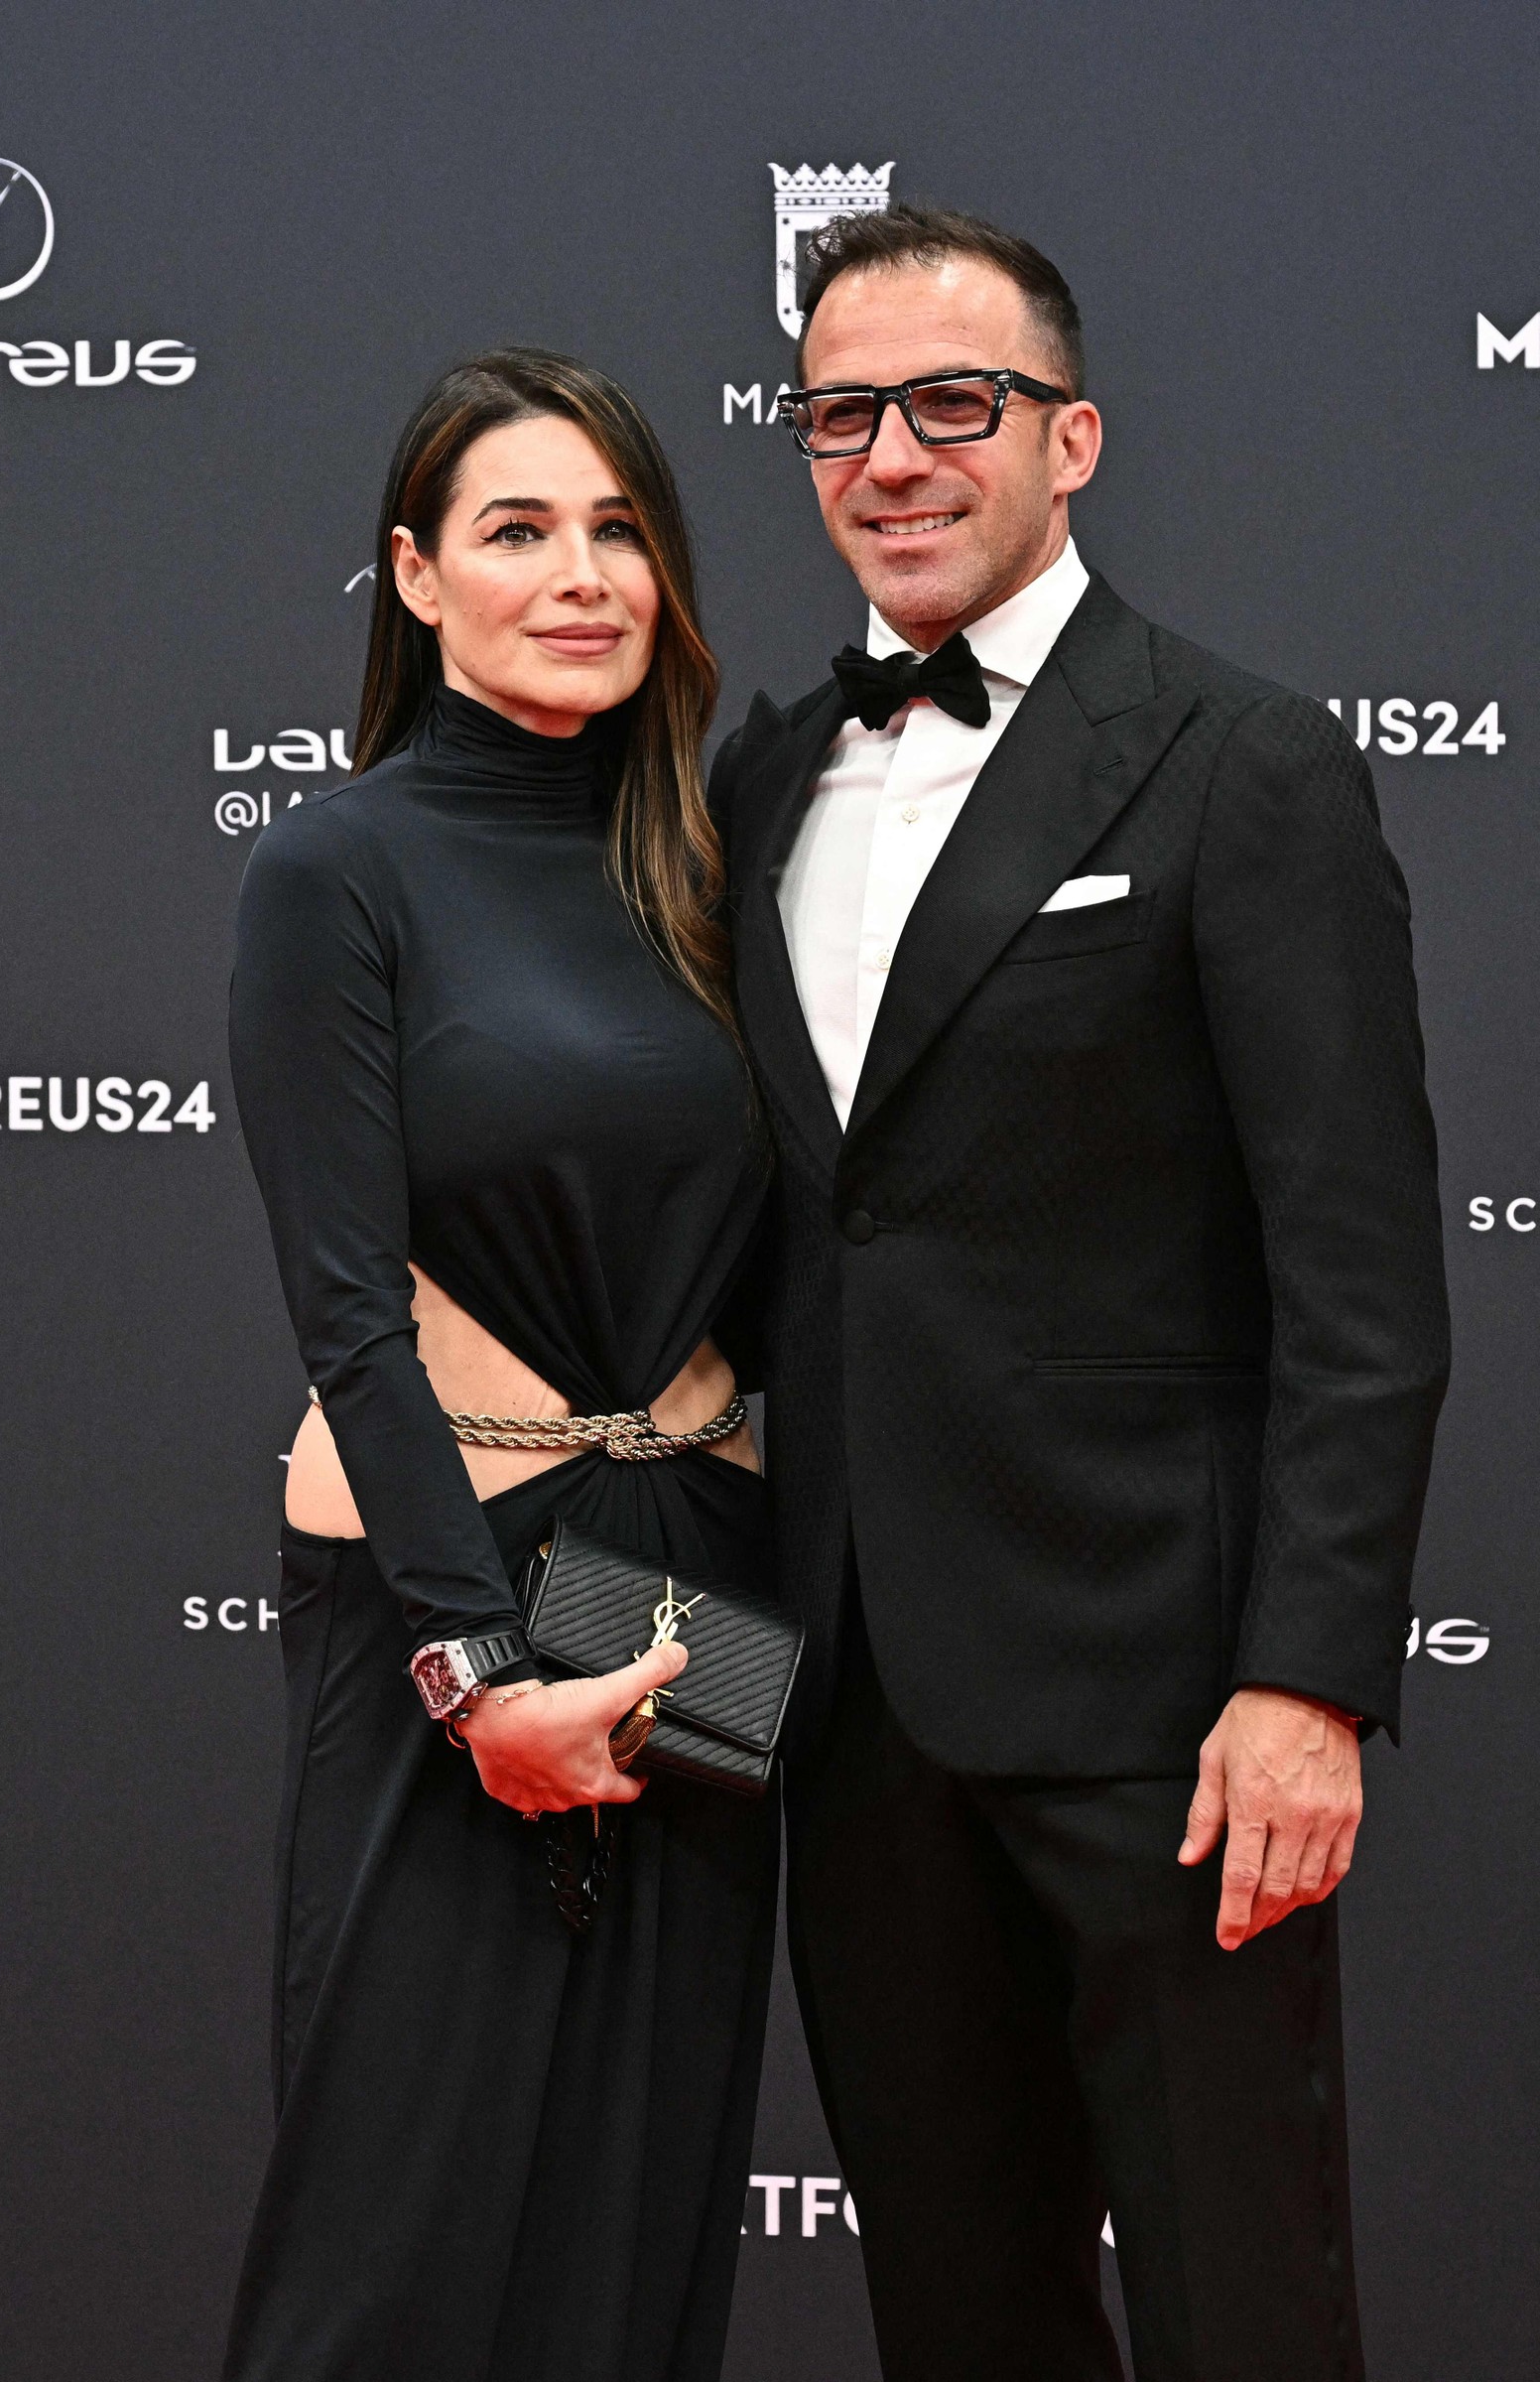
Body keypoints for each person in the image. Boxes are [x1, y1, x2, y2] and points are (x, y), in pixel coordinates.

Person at [710, 204, 1450, 2381]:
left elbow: (1358, 1274)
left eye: (956, 402)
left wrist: (1306, 1679)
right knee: (959, 2313)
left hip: (1167, 1714)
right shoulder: (752, 781)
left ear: (1073, 438)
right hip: (835, 1708)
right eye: (838, 412)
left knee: (1240, 2305)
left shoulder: (1242, 765)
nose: (893, 455)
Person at [223, 349, 778, 2382]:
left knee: (638, 2226)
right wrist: (474, 1673)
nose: (580, 574)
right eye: (517, 531)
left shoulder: (713, 874)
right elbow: (344, 1311)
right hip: (450, 1573)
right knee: (402, 2241)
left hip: (703, 1572)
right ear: (414, 575)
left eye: (619, 529)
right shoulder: (336, 869)